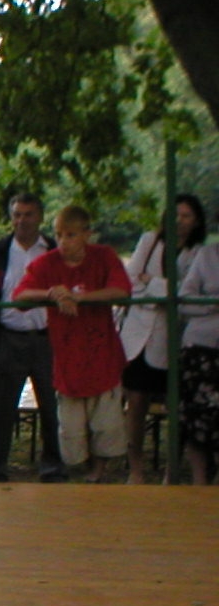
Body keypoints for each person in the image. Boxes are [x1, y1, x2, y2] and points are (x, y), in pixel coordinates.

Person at [13, 205, 131, 483]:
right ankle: (82, 472)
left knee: (106, 426)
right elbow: (19, 297)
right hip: (68, 362)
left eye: (71, 235)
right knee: (71, 431)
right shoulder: (47, 263)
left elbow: (122, 290)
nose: (63, 242)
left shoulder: (104, 256)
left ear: (87, 234)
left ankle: (98, 473)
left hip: (103, 358)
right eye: (59, 235)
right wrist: (51, 293)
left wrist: (80, 298)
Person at [0, 191, 66, 483]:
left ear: (40, 217)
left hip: (47, 339)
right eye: (17, 215)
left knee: (53, 408)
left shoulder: (54, 250)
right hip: (8, 339)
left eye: (28, 214)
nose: (22, 220)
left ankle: (54, 467)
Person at [119, 195, 207, 483]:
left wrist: (154, 284)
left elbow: (188, 293)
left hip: (174, 339)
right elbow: (132, 280)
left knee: (176, 406)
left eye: (186, 216)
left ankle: (172, 471)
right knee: (136, 402)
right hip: (139, 334)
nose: (179, 221)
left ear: (196, 221)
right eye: (175, 214)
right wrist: (160, 292)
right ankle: (136, 469)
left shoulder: (199, 253)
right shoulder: (149, 241)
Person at [177, 238, 219, 484]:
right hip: (201, 347)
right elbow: (184, 299)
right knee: (197, 419)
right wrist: (211, 305)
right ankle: (199, 482)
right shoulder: (207, 254)